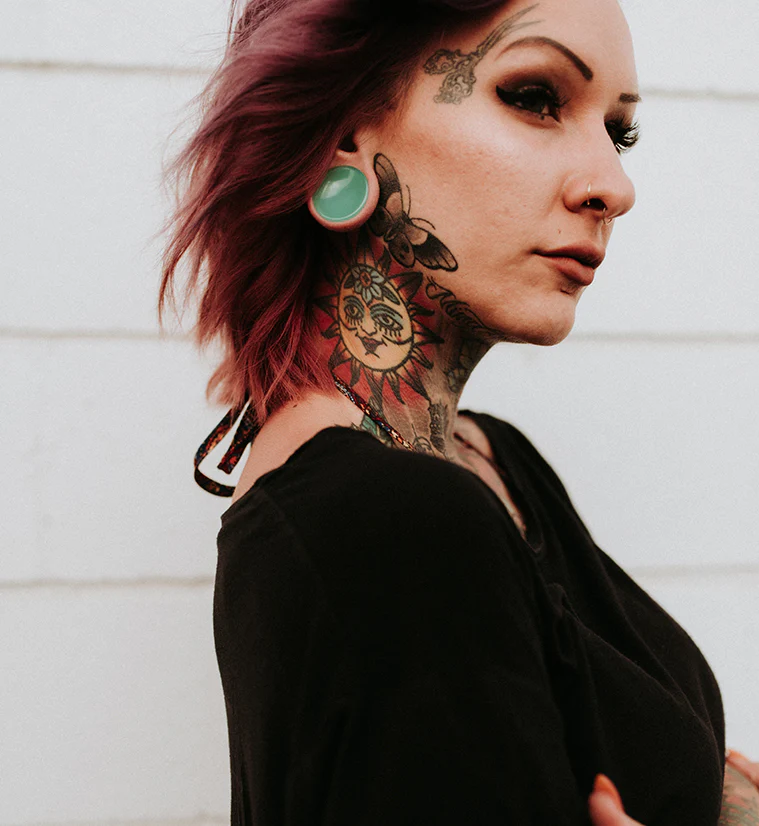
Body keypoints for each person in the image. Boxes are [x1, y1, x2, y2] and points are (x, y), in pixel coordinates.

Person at [160, 0, 759, 822]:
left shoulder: (489, 460)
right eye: (534, 98)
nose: (612, 187)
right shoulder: (386, 522)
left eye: (618, 133)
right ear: (343, 137)